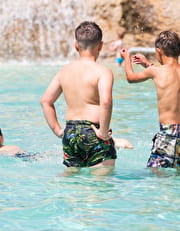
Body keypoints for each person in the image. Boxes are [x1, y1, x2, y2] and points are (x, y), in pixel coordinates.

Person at [40, 21, 132, 175]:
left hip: (70, 133)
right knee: (100, 188)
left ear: (76, 45)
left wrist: (58, 130)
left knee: (71, 183)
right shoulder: (103, 72)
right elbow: (106, 102)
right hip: (94, 131)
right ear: (100, 46)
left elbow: (45, 101)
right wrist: (103, 132)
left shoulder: (64, 71)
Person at [120, 30, 180, 168]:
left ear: (159, 51)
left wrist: (126, 57)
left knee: (155, 175)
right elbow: (167, 75)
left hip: (169, 133)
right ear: (179, 50)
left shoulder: (157, 71)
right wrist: (147, 64)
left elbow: (130, 78)